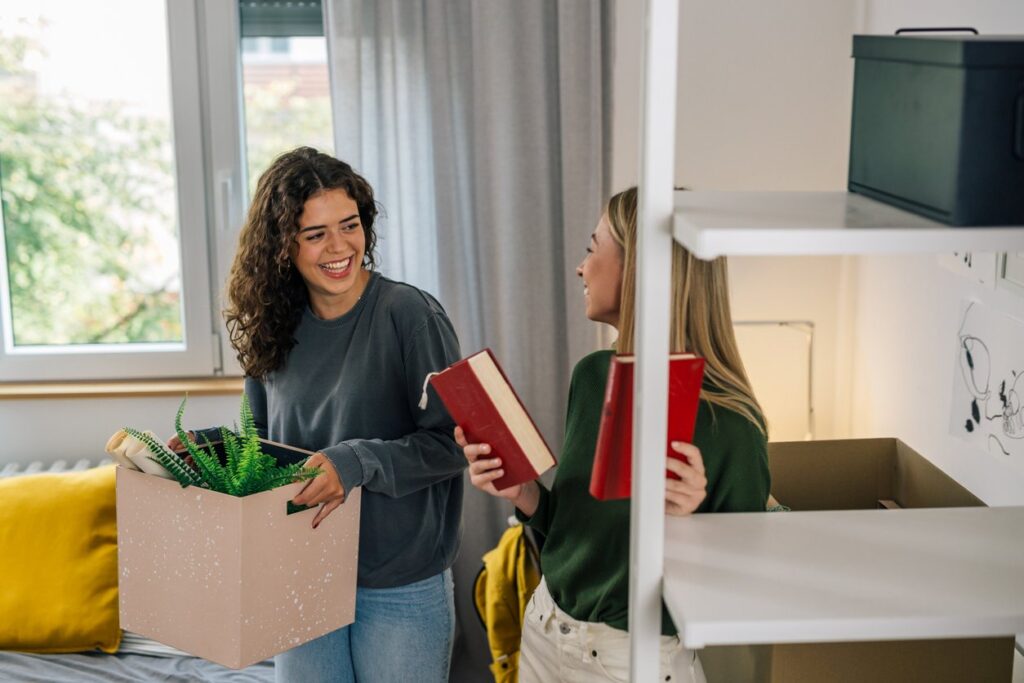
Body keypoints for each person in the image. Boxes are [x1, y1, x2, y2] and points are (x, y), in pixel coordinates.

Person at [173, 147, 465, 682]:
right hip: (299, 569)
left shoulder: (409, 315)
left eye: (349, 225)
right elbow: (265, 448)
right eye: (315, 234)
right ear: (284, 246)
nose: (339, 247)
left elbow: (455, 443)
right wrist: (206, 447)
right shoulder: (273, 328)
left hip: (399, 582)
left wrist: (354, 462)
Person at [457, 186, 771, 682]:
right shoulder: (593, 375)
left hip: (631, 661)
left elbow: (740, 590)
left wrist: (690, 526)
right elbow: (571, 527)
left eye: (592, 248)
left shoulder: (731, 426)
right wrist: (524, 492)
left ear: (642, 269)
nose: (581, 268)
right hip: (543, 629)